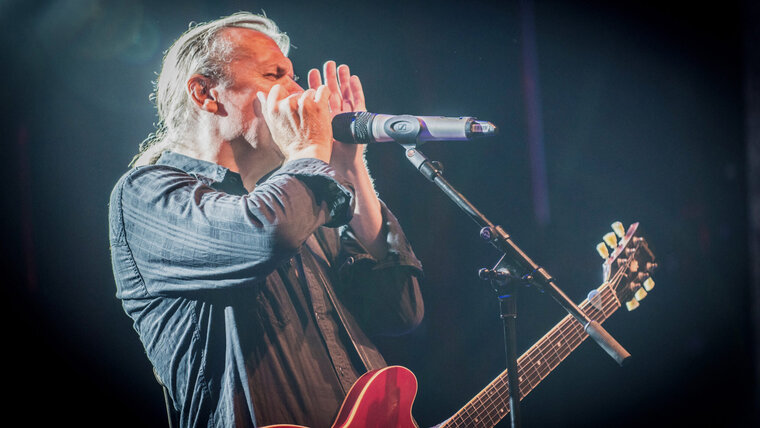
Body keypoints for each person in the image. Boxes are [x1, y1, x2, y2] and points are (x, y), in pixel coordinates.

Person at [108, 11, 424, 428]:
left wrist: (349, 167)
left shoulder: (304, 199)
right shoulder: (146, 194)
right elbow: (268, 232)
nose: (300, 92)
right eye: (275, 75)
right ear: (205, 93)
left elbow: (398, 311)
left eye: (293, 76)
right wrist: (308, 150)